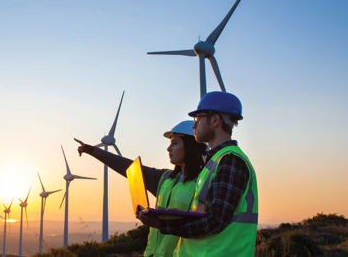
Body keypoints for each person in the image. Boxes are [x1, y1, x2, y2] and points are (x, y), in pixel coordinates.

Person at [138, 91, 258, 257]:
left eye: (198, 118)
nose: (194, 125)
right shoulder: (215, 161)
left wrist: (163, 224)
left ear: (215, 120)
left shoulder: (230, 161)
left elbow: (215, 221)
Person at [75, 120, 206, 257]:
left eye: (174, 143)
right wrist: (92, 150)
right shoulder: (165, 178)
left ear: (190, 147)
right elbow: (127, 167)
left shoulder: (203, 182)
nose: (168, 149)